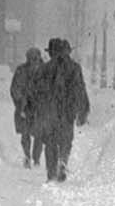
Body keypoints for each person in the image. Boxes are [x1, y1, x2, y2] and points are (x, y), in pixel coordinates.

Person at [31, 37, 89, 183]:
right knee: (66, 140)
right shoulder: (75, 68)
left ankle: (51, 173)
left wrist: (36, 110)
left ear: (51, 52)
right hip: (68, 112)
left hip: (49, 112)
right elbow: (80, 89)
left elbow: (35, 91)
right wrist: (83, 110)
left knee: (50, 142)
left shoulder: (44, 68)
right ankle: (63, 160)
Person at [10, 46, 43, 168]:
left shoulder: (45, 70)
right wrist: (19, 104)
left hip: (40, 107)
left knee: (39, 135)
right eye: (31, 58)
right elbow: (14, 89)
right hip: (25, 107)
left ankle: (36, 158)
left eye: (36, 58)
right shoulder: (21, 70)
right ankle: (28, 156)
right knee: (26, 134)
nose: (34, 60)